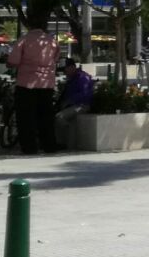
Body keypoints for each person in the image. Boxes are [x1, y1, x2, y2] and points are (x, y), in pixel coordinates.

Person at [7, 12, 60, 154]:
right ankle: (49, 145)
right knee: (46, 116)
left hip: (26, 84)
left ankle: (29, 147)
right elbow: (56, 59)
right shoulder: (52, 41)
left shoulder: (23, 40)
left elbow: (13, 61)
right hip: (46, 84)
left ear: (29, 25)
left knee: (26, 117)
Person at [54, 57, 94, 146]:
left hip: (82, 105)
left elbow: (85, 94)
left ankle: (64, 143)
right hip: (72, 106)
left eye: (65, 70)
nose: (64, 73)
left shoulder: (83, 77)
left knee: (60, 117)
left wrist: (69, 101)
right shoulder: (71, 79)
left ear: (72, 67)